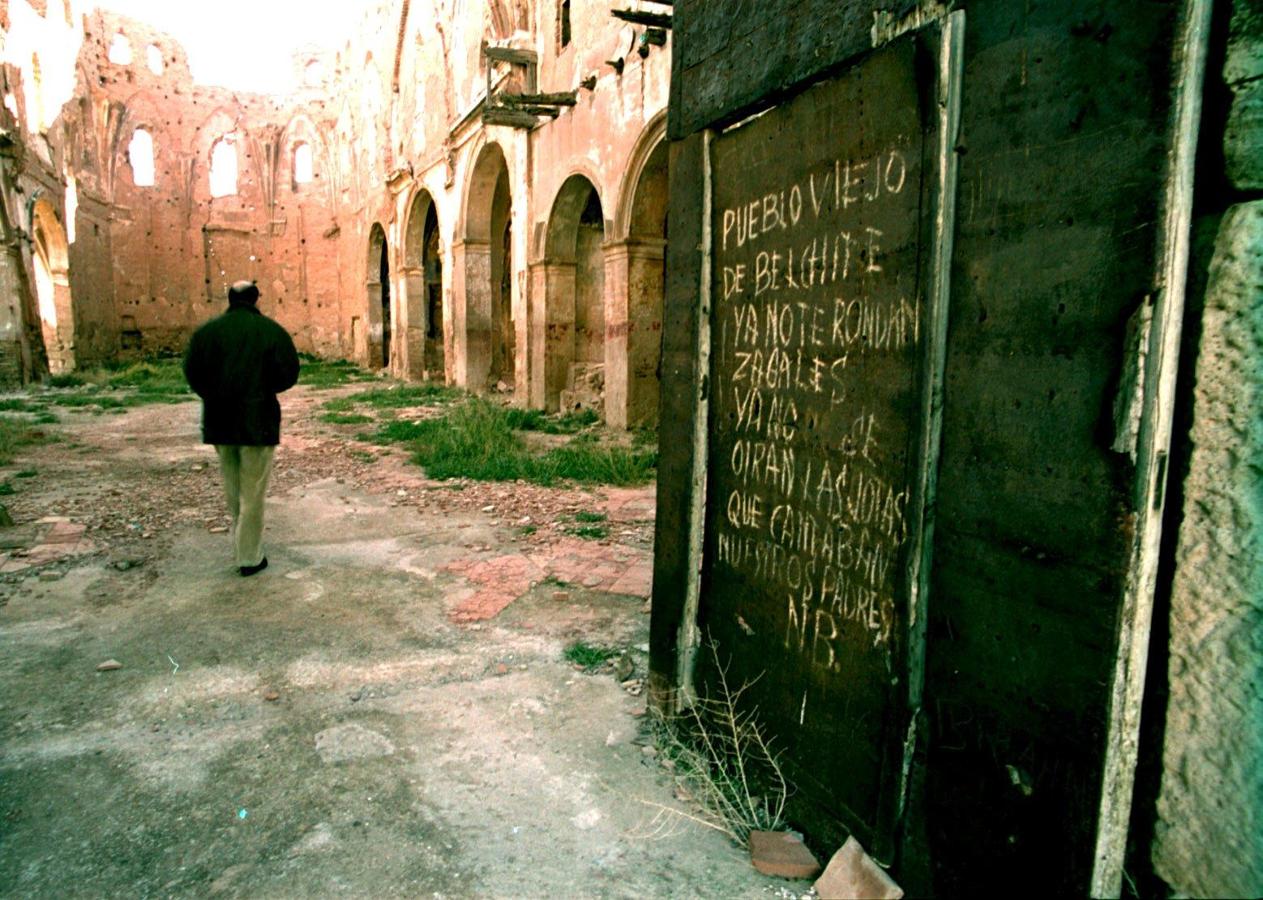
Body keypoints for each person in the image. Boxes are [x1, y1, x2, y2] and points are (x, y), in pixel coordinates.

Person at [183, 280, 300, 576]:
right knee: (253, 490)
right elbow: (289, 373)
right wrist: (262, 389)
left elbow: (192, 373)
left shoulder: (207, 333)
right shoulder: (271, 331)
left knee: (233, 487)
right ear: (255, 299)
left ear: (230, 298)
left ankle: (244, 545)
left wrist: (214, 394)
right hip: (257, 421)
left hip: (220, 421)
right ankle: (249, 557)